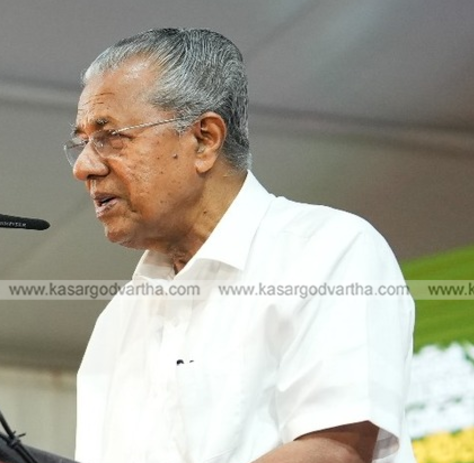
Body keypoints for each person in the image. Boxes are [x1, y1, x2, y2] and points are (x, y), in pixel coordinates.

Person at [65, 28, 416, 463]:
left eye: (110, 136)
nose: (84, 167)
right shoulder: (118, 320)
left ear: (205, 139)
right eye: (81, 143)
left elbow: (332, 452)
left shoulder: (327, 250)